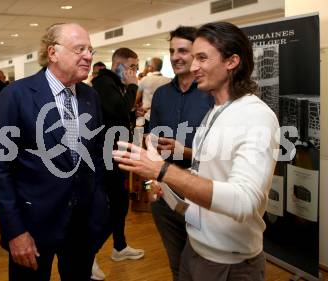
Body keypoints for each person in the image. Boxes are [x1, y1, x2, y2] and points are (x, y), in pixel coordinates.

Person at [113, 21, 279, 281]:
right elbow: (206, 169)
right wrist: (158, 182)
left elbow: (245, 201)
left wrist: (162, 170)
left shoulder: (255, 116)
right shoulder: (215, 111)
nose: (192, 66)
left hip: (228, 261)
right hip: (197, 245)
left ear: (232, 61)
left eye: (201, 57)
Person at [0, 23, 108, 281]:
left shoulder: (90, 96)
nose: (88, 56)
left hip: (82, 227)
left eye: (90, 49)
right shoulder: (16, 95)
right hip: (32, 226)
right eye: (80, 49)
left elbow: (96, 157)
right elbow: (0, 169)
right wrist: (14, 231)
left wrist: (100, 208)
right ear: (53, 53)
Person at [147, 26, 213, 281]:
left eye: (183, 50)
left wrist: (182, 150)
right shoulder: (162, 94)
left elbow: (219, 152)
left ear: (196, 54)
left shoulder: (210, 94)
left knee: (201, 266)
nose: (176, 56)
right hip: (165, 195)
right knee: (177, 266)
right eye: (172, 51)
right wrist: (151, 182)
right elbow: (152, 142)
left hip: (201, 194)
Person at [91, 47, 144, 280]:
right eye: (131, 66)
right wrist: (134, 88)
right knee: (116, 206)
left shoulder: (113, 84)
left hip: (117, 152)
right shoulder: (104, 82)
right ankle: (89, 254)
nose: (134, 72)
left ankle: (120, 247)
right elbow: (120, 109)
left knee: (120, 203)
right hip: (107, 155)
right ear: (118, 65)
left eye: (136, 67)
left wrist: (132, 113)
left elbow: (117, 115)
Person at [135, 57, 171, 133]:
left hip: (147, 115)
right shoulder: (169, 80)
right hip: (163, 116)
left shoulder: (145, 79)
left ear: (150, 67)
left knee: (146, 140)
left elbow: (136, 99)